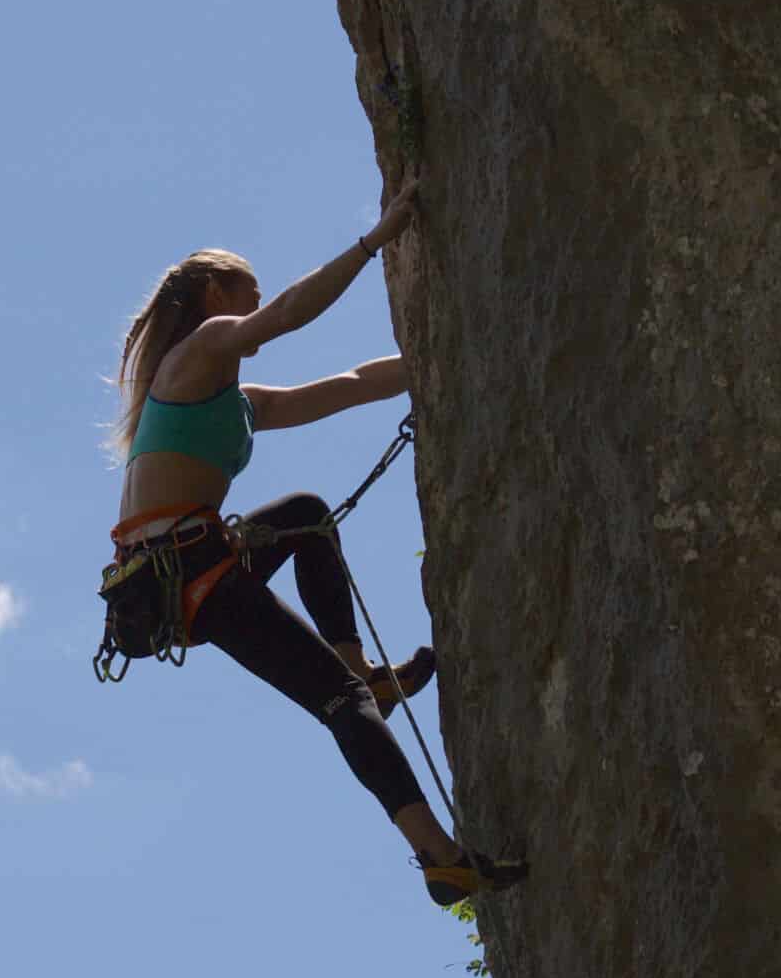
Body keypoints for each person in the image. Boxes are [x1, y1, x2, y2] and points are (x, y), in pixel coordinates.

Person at [105, 177, 527, 906]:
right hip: (190, 573)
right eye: (244, 286)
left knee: (304, 511)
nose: (254, 297)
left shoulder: (234, 402)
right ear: (211, 292)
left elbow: (354, 383)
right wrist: (375, 240)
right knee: (338, 706)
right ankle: (440, 855)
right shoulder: (198, 353)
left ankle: (364, 671)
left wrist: (442, 355)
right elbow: (286, 317)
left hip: (183, 572)